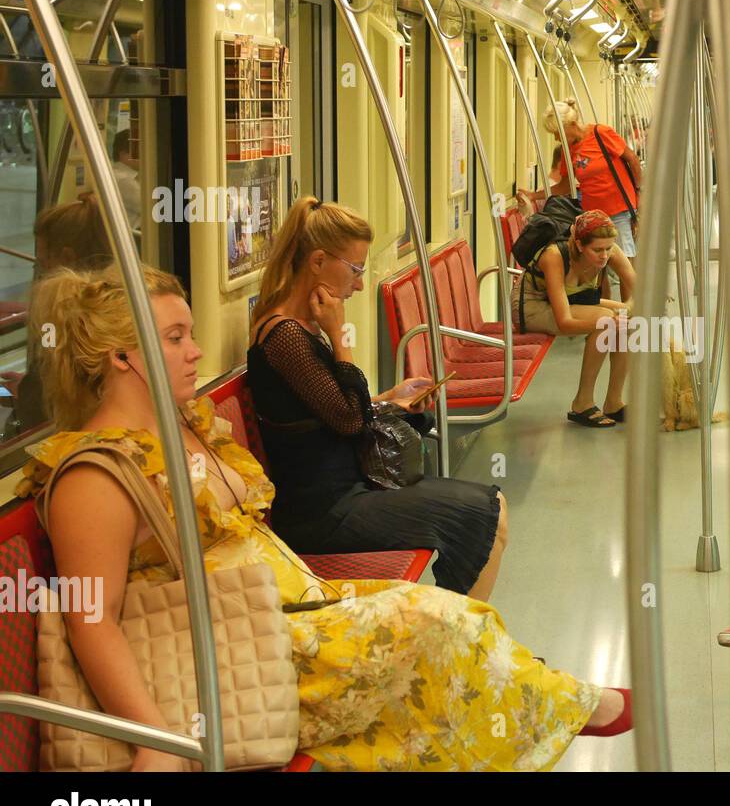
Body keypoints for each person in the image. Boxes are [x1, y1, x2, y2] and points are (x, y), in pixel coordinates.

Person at [17, 264, 631, 771]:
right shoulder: (95, 477)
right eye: (175, 338)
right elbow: (91, 623)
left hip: (291, 607)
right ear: (122, 356)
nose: (196, 351)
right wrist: (157, 741)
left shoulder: (183, 426)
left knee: (461, 619)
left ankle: (547, 699)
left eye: (190, 334)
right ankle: (569, 704)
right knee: (435, 621)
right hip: (243, 651)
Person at [247, 197, 507, 600]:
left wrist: (389, 399)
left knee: (491, 512)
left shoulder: (295, 329)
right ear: (317, 262)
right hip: (324, 512)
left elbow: (328, 411)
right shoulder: (285, 336)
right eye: (355, 270)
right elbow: (348, 420)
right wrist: (339, 336)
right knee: (485, 511)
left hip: (347, 491)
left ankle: (465, 638)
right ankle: (466, 642)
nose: (360, 283)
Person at [513, 209, 636, 428]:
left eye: (608, 248)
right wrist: (610, 322)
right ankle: (582, 403)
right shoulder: (554, 256)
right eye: (597, 250)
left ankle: (614, 402)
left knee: (625, 320)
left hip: (570, 298)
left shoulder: (609, 250)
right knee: (607, 321)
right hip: (534, 306)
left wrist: (626, 310)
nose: (605, 255)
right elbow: (565, 322)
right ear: (579, 245)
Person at [3, 195, 114, 437]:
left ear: (67, 258)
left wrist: (25, 390)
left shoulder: (56, 315)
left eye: (43, 263)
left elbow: (50, 368)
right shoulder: (117, 296)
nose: (41, 272)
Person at [518, 97, 642, 271]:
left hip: (619, 210)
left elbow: (632, 160)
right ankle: (608, 299)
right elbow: (564, 186)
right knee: (599, 271)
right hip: (593, 216)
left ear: (572, 124)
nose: (555, 138)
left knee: (624, 267)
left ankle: (630, 300)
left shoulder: (601, 133)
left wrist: (639, 191)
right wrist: (533, 195)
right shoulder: (567, 151)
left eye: (557, 133)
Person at [111, 130, 142, 236]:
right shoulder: (124, 180)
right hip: (134, 238)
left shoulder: (115, 173)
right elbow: (154, 209)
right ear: (123, 154)